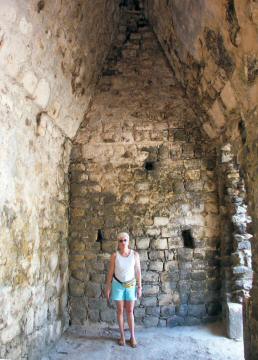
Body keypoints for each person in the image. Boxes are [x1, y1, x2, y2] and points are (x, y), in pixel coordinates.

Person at [105, 232, 142, 347]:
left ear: (128, 241)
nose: (123, 243)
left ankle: (132, 336)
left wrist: (140, 287)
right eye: (120, 240)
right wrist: (108, 287)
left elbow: (138, 272)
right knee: (120, 311)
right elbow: (111, 272)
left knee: (130, 311)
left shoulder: (135, 255)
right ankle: (122, 336)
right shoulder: (115, 256)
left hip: (131, 285)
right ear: (118, 242)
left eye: (125, 240)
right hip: (118, 285)